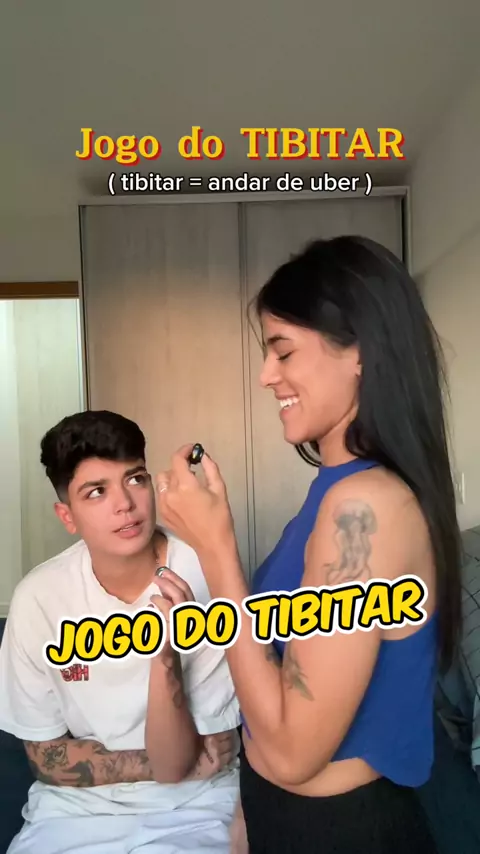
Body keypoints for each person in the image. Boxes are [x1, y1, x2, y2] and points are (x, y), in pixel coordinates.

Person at [154, 235, 463, 854]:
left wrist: (216, 548)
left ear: (361, 353)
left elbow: (295, 752)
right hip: (284, 816)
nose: (267, 376)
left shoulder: (365, 508)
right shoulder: (336, 489)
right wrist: (249, 813)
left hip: (343, 831)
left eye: (284, 351)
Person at [0, 410, 241, 854]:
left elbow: (203, 756)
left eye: (135, 479)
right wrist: (151, 764)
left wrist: (165, 654)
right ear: (67, 516)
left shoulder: (205, 574)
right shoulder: (38, 597)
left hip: (195, 807)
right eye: (96, 491)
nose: (125, 504)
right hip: (72, 812)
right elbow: (46, 757)